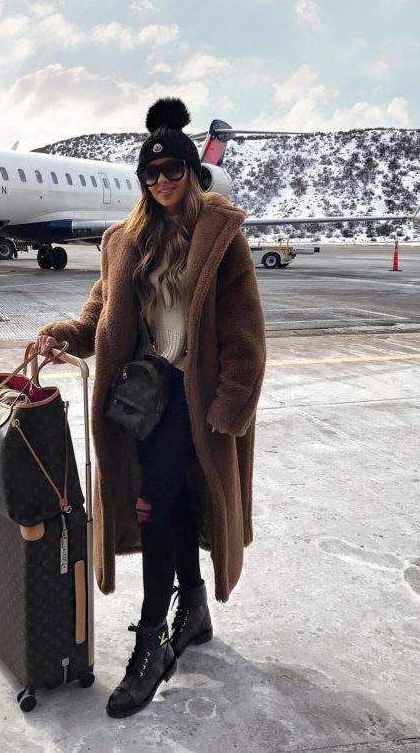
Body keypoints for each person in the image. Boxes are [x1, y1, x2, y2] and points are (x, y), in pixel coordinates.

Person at [35, 97, 266, 718]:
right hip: (143, 399)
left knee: (154, 504)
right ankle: (191, 611)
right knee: (172, 508)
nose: (161, 182)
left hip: (197, 401)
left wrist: (229, 408)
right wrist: (66, 335)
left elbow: (246, 333)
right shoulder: (125, 240)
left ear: (192, 173)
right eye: (151, 174)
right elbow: (99, 316)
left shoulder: (220, 238)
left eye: (173, 171)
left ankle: (153, 643)